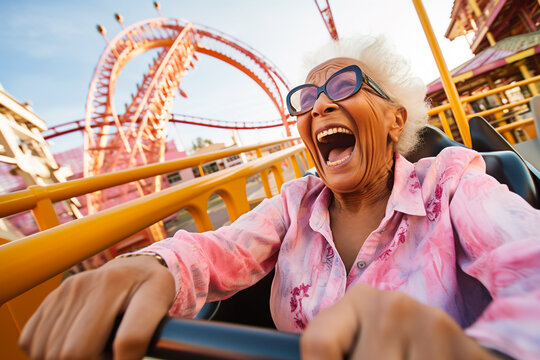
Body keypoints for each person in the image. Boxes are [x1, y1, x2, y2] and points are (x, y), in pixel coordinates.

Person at [20, 35, 540, 360]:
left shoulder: (451, 185)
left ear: (395, 118)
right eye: (308, 99)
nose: (319, 107)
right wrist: (151, 267)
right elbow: (218, 249)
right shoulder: (296, 202)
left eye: (343, 87)